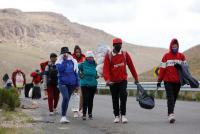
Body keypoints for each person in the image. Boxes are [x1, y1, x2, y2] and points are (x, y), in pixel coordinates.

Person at [103, 38, 139, 123]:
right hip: (113, 82)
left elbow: (131, 66)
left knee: (123, 96)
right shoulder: (109, 56)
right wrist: (107, 79)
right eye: (117, 45)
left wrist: (136, 78)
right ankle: (116, 115)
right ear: (114, 46)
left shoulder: (125, 54)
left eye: (120, 44)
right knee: (115, 98)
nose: (119, 46)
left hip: (123, 80)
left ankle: (123, 115)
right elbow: (106, 69)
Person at [157, 38, 186, 124]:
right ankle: (171, 114)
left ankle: (171, 112)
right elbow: (162, 69)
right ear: (170, 46)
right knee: (170, 98)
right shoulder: (166, 56)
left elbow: (186, 69)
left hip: (178, 82)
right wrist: (159, 81)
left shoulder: (182, 56)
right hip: (168, 81)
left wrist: (185, 79)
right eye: (173, 46)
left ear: (178, 47)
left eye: (176, 46)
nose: (175, 48)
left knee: (174, 98)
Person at [56, 47, 79, 123]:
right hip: (62, 83)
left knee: (67, 100)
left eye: (66, 53)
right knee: (65, 98)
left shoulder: (74, 61)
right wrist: (65, 61)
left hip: (72, 84)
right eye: (63, 53)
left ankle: (64, 116)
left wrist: (77, 84)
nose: (65, 54)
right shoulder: (59, 62)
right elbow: (61, 70)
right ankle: (63, 117)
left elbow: (76, 73)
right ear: (61, 54)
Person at [78, 50, 98, 120]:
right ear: (86, 57)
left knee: (91, 99)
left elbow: (98, 72)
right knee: (85, 98)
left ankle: (90, 114)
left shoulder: (95, 65)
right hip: (84, 84)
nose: (90, 58)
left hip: (93, 84)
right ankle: (84, 114)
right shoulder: (82, 64)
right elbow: (76, 69)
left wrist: (97, 75)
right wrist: (80, 75)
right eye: (89, 57)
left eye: (91, 57)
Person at [72, 45, 86, 117]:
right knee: (75, 95)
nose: (78, 53)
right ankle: (75, 111)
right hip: (74, 79)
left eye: (79, 52)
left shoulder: (84, 59)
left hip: (82, 79)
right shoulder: (71, 59)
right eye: (76, 52)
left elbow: (85, 68)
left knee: (82, 95)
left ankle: (80, 109)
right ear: (74, 52)